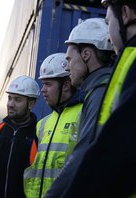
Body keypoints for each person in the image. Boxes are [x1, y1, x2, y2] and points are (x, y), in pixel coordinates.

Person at [57, 0, 136, 197]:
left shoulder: (106, 86)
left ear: (125, 14)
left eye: (109, 23)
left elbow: (107, 151)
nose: (109, 39)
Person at [44, 18, 115, 197]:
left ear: (86, 55)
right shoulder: (105, 88)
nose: (68, 68)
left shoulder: (100, 92)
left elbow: (83, 157)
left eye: (69, 59)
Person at [24, 53, 84, 198]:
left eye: (48, 84)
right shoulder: (42, 124)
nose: (42, 90)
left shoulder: (84, 114)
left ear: (66, 85)